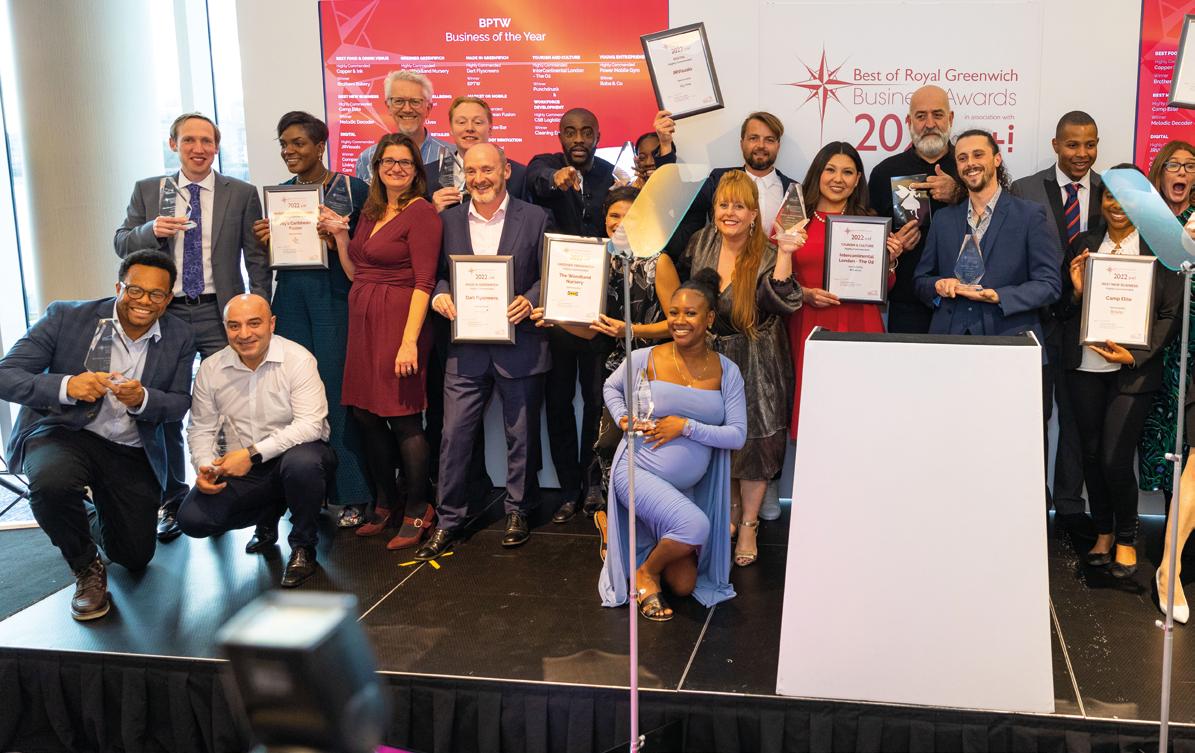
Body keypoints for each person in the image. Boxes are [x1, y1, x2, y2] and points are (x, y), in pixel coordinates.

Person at [0, 250, 195, 620]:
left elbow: (179, 403)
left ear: (168, 298)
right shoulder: (67, 317)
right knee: (51, 483)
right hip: (66, 432)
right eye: (135, 290)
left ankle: (79, 513)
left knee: (134, 557)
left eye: (156, 294)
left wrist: (144, 399)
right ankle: (86, 568)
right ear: (119, 287)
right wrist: (67, 386)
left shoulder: (180, 335)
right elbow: (5, 375)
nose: (144, 301)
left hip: (129, 448)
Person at [114, 112, 271, 543]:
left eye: (207, 141)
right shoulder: (149, 190)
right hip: (166, 313)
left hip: (221, 313)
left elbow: (256, 259)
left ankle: (249, 502)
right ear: (174, 144)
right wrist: (150, 229)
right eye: (189, 140)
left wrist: (260, 307)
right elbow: (121, 243)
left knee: (236, 403)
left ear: (216, 147)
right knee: (164, 405)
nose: (199, 148)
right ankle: (173, 498)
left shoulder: (240, 193)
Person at [528, 108, 676, 522]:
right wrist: (555, 179)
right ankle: (568, 490)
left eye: (587, 132)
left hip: (602, 320)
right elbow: (536, 179)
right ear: (560, 134)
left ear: (598, 135)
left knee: (597, 405)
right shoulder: (544, 166)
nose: (578, 138)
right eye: (570, 131)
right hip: (561, 315)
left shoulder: (612, 175)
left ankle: (594, 484)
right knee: (558, 404)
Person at [417, 144, 552, 559]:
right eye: (472, 171)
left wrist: (531, 299)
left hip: (521, 344)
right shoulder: (448, 220)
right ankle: (449, 520)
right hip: (466, 349)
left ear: (506, 171)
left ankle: (519, 510)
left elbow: (548, 273)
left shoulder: (535, 217)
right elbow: (438, 275)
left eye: (487, 170)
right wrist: (440, 295)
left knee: (521, 436)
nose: (479, 178)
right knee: (454, 436)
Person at [598, 275, 747, 620]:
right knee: (695, 527)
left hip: (683, 489)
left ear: (709, 318)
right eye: (674, 312)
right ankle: (645, 574)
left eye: (690, 313)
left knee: (683, 585)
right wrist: (623, 418)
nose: (680, 321)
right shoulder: (645, 358)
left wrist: (686, 427)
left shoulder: (727, 371)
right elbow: (611, 387)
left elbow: (737, 435)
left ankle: (632, 545)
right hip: (638, 472)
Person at [1056, 166, 1181, 579]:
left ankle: (1127, 536)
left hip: (1132, 370)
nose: (1117, 205)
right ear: (1102, 200)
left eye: (1127, 197)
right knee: (1091, 454)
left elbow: (1170, 314)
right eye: (1110, 196)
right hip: (1086, 366)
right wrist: (1077, 291)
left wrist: (1136, 355)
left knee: (1114, 457)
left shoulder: (1161, 249)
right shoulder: (1084, 244)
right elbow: (1063, 309)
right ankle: (1104, 532)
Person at [251, 111, 371, 528]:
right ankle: (307, 488)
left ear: (320, 146)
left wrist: (339, 239)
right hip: (291, 298)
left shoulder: (353, 190)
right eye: (284, 144)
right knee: (293, 395)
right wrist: (268, 241)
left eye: (298, 143)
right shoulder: (280, 196)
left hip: (335, 299)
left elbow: (369, 253)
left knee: (338, 395)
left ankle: (353, 493)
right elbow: (277, 255)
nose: (289, 151)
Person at [324, 133, 440, 551]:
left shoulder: (422, 213)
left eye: (405, 162)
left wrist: (409, 342)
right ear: (376, 168)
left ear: (416, 170)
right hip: (364, 323)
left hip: (399, 323)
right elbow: (357, 272)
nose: (396, 168)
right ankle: (386, 500)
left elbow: (424, 282)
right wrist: (341, 238)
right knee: (365, 414)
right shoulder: (371, 211)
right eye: (388, 161)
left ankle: (419, 508)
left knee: (404, 418)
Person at [681, 170, 802, 567]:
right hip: (710, 358)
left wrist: (785, 254)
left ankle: (749, 523)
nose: (729, 213)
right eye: (723, 204)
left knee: (755, 445)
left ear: (754, 213)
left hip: (757, 359)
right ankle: (730, 512)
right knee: (719, 441)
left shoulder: (767, 252)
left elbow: (782, 301)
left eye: (739, 206)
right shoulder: (699, 243)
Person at [177, 294, 337, 588]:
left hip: (298, 454)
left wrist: (252, 453)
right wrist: (205, 467)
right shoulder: (211, 368)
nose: (244, 334)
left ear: (271, 324)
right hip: (246, 466)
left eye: (254, 323)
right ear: (225, 327)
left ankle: (303, 545)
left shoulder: (297, 359)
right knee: (192, 519)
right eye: (234, 326)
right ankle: (270, 512)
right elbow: (200, 428)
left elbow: (311, 425)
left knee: (302, 465)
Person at [1012, 111, 1105, 529]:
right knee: (1033, 417)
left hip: (1089, 327)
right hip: (1037, 322)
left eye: (1090, 144)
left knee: (1077, 420)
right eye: (1072, 144)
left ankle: (1069, 505)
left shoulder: (1109, 191)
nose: (1082, 153)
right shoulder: (1025, 189)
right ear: (1055, 145)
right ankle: (1033, 502)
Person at [785, 142, 904, 437]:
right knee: (815, 418)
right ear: (818, 173)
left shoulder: (871, 221)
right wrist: (805, 293)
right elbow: (776, 277)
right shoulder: (793, 216)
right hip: (809, 324)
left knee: (860, 418)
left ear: (858, 179)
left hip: (860, 325)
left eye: (848, 172)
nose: (838, 179)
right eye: (831, 170)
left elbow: (884, 288)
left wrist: (890, 262)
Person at [912, 129, 1062, 341]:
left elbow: (1049, 285)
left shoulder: (1029, 215)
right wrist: (938, 286)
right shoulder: (943, 219)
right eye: (962, 158)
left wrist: (1000, 296)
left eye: (978, 154)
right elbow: (921, 280)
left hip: (1008, 338)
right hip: (949, 339)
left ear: (997, 159)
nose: (970, 163)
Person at [867, 85, 961, 334]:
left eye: (938, 115)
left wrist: (959, 193)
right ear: (909, 122)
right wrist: (893, 244)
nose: (929, 124)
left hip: (963, 301)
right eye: (921, 116)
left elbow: (1000, 217)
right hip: (906, 303)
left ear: (950, 118)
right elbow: (866, 240)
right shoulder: (884, 172)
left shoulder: (969, 169)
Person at [660, 111, 796, 269]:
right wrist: (665, 145)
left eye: (769, 140)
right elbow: (675, 196)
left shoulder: (793, 191)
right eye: (753, 138)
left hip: (774, 277)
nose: (761, 145)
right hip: (720, 275)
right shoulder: (719, 180)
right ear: (742, 143)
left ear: (778, 146)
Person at [1138, 140, 1195, 500]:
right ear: (1160, 173)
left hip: (1194, 344)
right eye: (1174, 165)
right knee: (1159, 432)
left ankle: (1186, 523)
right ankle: (1169, 519)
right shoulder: (1146, 225)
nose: (1182, 172)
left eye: (1190, 166)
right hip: (1158, 346)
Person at [424, 96, 529, 211]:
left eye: (478, 122)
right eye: (461, 122)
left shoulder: (519, 175)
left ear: (490, 129)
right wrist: (432, 211)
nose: (469, 128)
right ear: (451, 129)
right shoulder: (427, 174)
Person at [355, 70, 450, 183]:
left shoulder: (451, 156)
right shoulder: (367, 159)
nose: (407, 109)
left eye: (415, 102)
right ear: (389, 106)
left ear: (428, 108)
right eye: (399, 101)